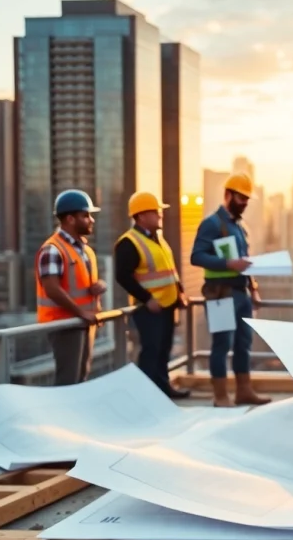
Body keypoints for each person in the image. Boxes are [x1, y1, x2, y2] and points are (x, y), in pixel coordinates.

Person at [190, 171, 271, 407]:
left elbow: (245, 260)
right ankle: (221, 396)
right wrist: (228, 264)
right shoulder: (212, 224)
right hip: (220, 295)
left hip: (241, 294)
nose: (245, 203)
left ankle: (244, 391)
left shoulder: (240, 227)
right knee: (222, 344)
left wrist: (253, 288)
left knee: (243, 344)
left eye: (247, 199)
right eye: (241, 198)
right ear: (228, 195)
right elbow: (197, 256)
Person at [114, 192, 190, 399]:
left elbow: (170, 269)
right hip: (149, 309)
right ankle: (145, 397)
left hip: (168, 305)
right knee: (151, 352)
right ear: (140, 216)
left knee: (164, 350)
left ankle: (163, 390)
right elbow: (122, 277)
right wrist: (147, 299)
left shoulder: (159, 240)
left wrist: (180, 292)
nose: (160, 216)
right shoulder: (129, 242)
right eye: (155, 212)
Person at [36, 189, 108, 386]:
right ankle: (60, 418)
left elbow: (77, 284)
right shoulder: (53, 249)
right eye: (86, 215)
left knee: (81, 378)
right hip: (64, 324)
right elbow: (52, 289)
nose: (91, 220)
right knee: (67, 381)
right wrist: (80, 312)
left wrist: (96, 287)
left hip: (83, 323)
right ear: (70, 219)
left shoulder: (85, 251)